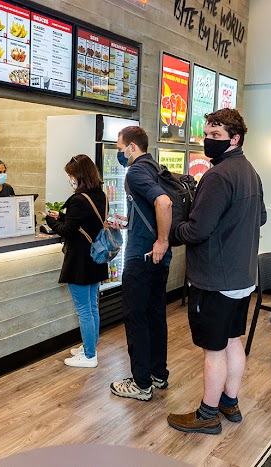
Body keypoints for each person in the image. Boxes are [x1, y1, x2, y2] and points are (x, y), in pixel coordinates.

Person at [167, 108, 266, 435]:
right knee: (232, 341)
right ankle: (230, 401)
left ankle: (207, 413)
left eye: (215, 136)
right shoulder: (250, 171)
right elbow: (260, 217)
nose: (208, 141)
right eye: (206, 135)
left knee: (214, 348)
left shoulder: (218, 176)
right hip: (242, 277)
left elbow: (196, 231)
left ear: (234, 138)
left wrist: (173, 228)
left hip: (215, 278)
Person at [108, 126, 172, 401]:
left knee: (136, 319)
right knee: (156, 316)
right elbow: (150, 208)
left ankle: (141, 384)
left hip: (142, 257)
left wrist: (162, 240)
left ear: (132, 147)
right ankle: (158, 374)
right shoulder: (154, 166)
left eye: (120, 148)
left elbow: (164, 202)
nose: (119, 154)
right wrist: (128, 221)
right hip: (158, 259)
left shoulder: (135, 171)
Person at [45, 155, 107, 368]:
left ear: (79, 176)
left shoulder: (79, 200)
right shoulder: (100, 195)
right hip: (96, 258)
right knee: (92, 306)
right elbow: (82, 223)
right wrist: (63, 217)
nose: (69, 179)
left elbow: (67, 231)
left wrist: (52, 221)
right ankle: (90, 346)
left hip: (80, 260)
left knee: (83, 309)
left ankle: (89, 355)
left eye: (71, 175)